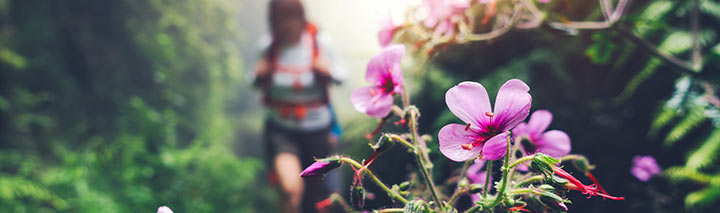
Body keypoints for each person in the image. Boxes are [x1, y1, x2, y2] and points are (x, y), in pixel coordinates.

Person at [250, 1, 345, 212]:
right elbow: (253, 81)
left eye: (290, 17)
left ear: (301, 18)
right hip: (281, 131)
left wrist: (327, 71)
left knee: (315, 199)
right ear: (273, 21)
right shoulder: (268, 48)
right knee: (289, 189)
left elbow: (341, 76)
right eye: (279, 18)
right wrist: (259, 75)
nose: (286, 24)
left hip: (318, 132)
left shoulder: (320, 44)